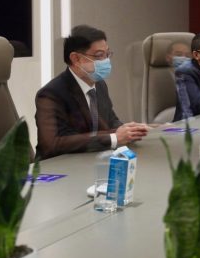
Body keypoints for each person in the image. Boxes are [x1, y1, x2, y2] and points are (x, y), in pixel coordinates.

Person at [35, 25, 147, 158]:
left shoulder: (99, 85)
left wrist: (130, 130)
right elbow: (52, 144)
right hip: (58, 169)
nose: (106, 61)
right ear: (76, 59)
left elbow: (110, 121)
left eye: (107, 54)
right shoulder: (50, 94)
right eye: (99, 55)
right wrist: (114, 138)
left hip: (90, 160)